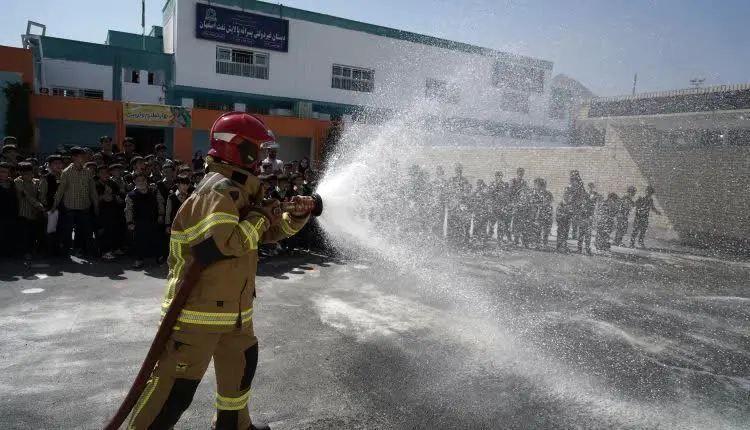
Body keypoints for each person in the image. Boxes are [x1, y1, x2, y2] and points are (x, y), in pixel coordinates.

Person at [127, 112, 314, 430]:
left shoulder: (240, 190)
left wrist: (292, 217)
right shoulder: (215, 192)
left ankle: (234, 426)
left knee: (239, 373)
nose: (263, 156)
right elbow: (220, 245)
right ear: (239, 148)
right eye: (257, 148)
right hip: (197, 315)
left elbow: (261, 234)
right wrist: (259, 217)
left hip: (236, 313)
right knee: (172, 394)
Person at [53, 146, 99, 257]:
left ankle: (79, 249)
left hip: (84, 207)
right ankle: (66, 251)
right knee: (67, 230)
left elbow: (92, 191)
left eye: (84, 155)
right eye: (80, 155)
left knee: (82, 231)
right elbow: (61, 191)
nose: (83, 157)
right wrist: (54, 205)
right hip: (70, 207)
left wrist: (96, 205)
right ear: (74, 157)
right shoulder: (66, 172)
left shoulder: (87, 172)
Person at [125, 172, 164, 268]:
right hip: (139, 222)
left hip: (153, 219)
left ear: (147, 181)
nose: (141, 183)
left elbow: (160, 203)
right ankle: (138, 259)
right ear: (134, 182)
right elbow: (128, 210)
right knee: (138, 241)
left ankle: (159, 257)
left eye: (143, 180)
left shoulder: (154, 192)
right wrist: (129, 222)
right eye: (138, 181)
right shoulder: (131, 195)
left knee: (156, 239)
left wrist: (161, 215)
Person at [15, 162, 45, 260]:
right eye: (25, 173)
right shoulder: (18, 181)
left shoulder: (36, 181)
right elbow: (26, 195)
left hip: (35, 213)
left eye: (30, 173)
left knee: (33, 234)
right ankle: (25, 252)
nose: (28, 175)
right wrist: (37, 205)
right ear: (20, 173)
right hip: (23, 212)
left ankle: (33, 251)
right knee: (24, 234)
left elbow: (41, 193)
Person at [40, 154, 65, 256]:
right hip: (51, 209)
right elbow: (42, 195)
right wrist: (45, 208)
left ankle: (58, 250)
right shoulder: (46, 178)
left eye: (60, 163)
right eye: (55, 164)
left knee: (60, 230)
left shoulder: (64, 177)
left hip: (63, 208)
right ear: (50, 165)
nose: (58, 166)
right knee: (50, 230)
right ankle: (49, 251)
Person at [0, 161, 18, 259]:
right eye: (1, 171)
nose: (2, 174)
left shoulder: (12, 183)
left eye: (5, 172)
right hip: (1, 215)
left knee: (10, 234)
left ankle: (9, 253)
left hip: (11, 213)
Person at [533, 178, 554, 247]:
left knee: (546, 230)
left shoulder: (548, 193)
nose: (536, 186)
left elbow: (549, 201)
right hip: (538, 213)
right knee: (537, 229)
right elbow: (532, 203)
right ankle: (537, 243)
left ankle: (545, 243)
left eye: (538, 185)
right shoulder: (534, 193)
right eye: (536, 185)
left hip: (546, 213)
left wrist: (542, 205)